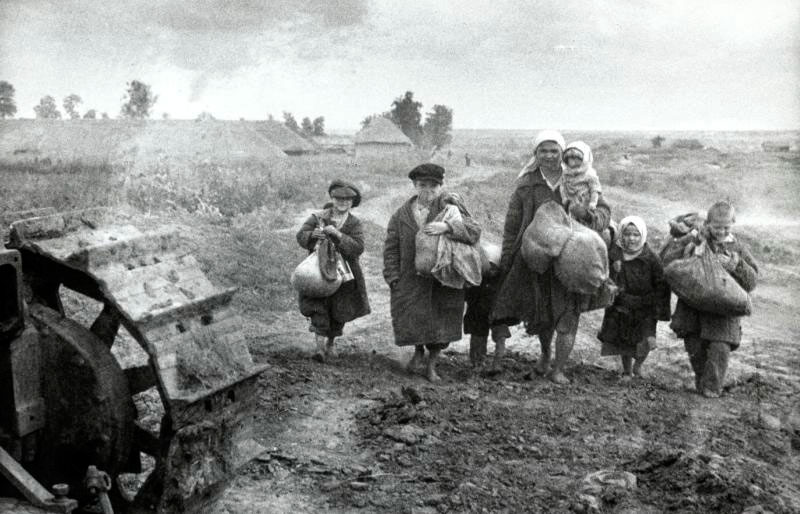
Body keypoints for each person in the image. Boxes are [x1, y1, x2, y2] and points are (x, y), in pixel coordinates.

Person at [492, 130, 612, 384]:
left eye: (554, 151)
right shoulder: (526, 185)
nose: (549, 156)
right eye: (543, 151)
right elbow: (512, 224)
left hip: (572, 261)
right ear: (535, 154)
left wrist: (587, 214)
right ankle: (545, 356)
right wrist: (507, 258)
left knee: (568, 316)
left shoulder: (581, 179)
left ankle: (559, 368)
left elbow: (604, 214)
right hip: (537, 260)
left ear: (563, 153)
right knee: (542, 315)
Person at [383, 163, 481, 382]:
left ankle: (432, 364)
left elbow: (474, 231)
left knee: (441, 323)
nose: (428, 191)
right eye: (422, 185)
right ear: (415, 186)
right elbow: (391, 247)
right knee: (414, 319)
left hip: (444, 278)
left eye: (434, 186)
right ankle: (418, 353)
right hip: (411, 278)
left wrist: (448, 228)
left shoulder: (451, 207)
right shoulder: (401, 215)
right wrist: (392, 276)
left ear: (441, 186)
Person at [667, 201, 758, 398]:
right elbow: (669, 260)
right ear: (708, 223)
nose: (722, 231)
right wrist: (690, 244)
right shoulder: (698, 240)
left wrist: (736, 265)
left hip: (723, 314)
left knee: (719, 349)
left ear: (733, 224)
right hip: (694, 309)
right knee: (694, 347)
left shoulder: (738, 248)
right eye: (717, 227)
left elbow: (752, 281)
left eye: (726, 227)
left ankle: (712, 389)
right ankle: (702, 383)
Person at [296, 180, 371, 362]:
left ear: (352, 202)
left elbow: (358, 247)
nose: (342, 202)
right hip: (319, 270)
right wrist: (313, 235)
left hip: (344, 273)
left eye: (347, 200)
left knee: (339, 309)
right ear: (332, 198)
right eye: (338, 198)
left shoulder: (354, 223)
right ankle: (320, 348)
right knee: (318, 305)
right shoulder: (318, 217)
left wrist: (338, 235)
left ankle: (330, 343)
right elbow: (301, 235)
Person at [597, 216, 670, 381]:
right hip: (623, 304)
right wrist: (614, 273)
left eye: (636, 235)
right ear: (622, 235)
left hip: (645, 306)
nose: (632, 239)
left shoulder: (651, 258)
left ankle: (638, 365)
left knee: (646, 340)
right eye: (628, 234)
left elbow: (661, 284)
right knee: (625, 341)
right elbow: (606, 276)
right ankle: (627, 370)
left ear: (643, 235)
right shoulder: (615, 255)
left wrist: (658, 307)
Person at [464, 256, 511, 371]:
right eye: (490, 268)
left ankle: (496, 363)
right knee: (478, 336)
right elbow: (470, 297)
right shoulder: (477, 278)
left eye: (494, 268)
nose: (492, 271)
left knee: (500, 336)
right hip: (480, 311)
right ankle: (478, 363)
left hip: (497, 312)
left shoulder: (502, 279)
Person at [561, 141, 603, 218]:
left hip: (585, 204)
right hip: (570, 204)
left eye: (576, 158)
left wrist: (593, 203)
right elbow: (563, 186)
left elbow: (595, 189)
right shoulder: (566, 173)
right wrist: (564, 198)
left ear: (584, 158)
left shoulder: (589, 174)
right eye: (569, 158)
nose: (572, 161)